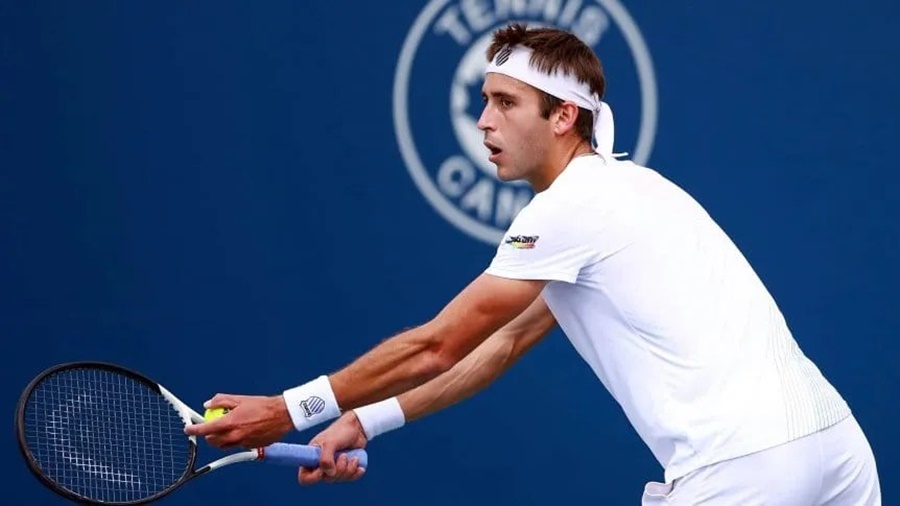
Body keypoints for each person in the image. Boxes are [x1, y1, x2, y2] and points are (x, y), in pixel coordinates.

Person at [185, 23, 881, 504]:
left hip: (745, 472)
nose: (482, 120)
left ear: (564, 117)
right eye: (484, 100)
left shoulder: (570, 208)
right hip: (835, 449)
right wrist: (370, 420)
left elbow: (438, 343)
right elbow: (505, 341)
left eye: (505, 102)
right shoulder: (631, 191)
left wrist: (289, 409)